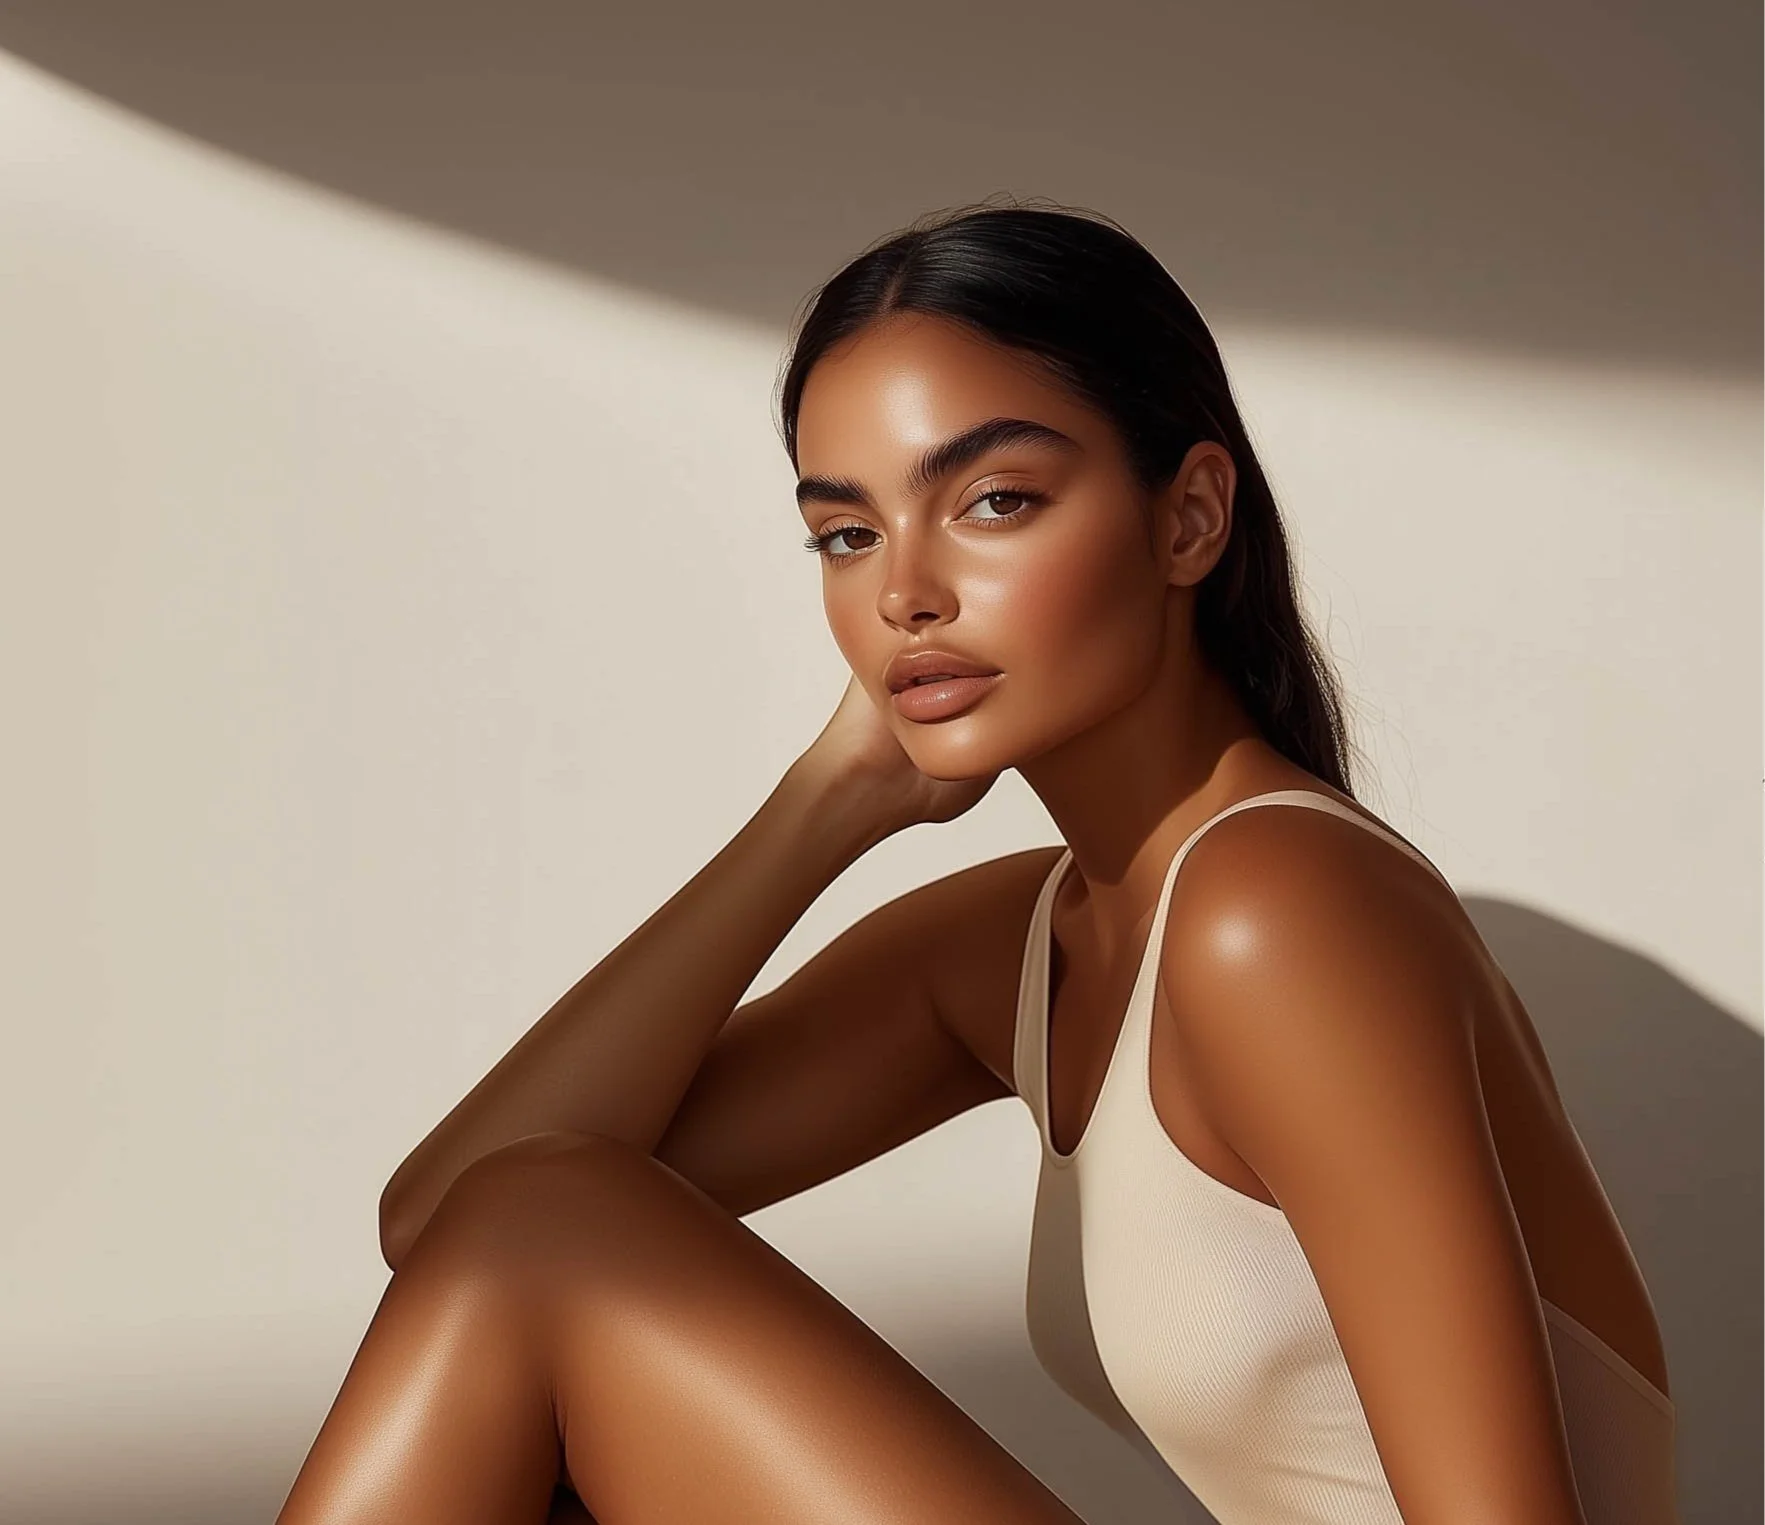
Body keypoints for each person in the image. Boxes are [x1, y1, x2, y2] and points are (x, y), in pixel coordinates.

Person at [275, 201, 1681, 1525]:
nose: (904, 593)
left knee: (551, 1228)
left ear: (1189, 517)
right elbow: (458, 1211)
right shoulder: (1023, 944)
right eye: (846, 532)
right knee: (541, 1227)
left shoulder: (1281, 911)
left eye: (994, 500)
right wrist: (819, 810)